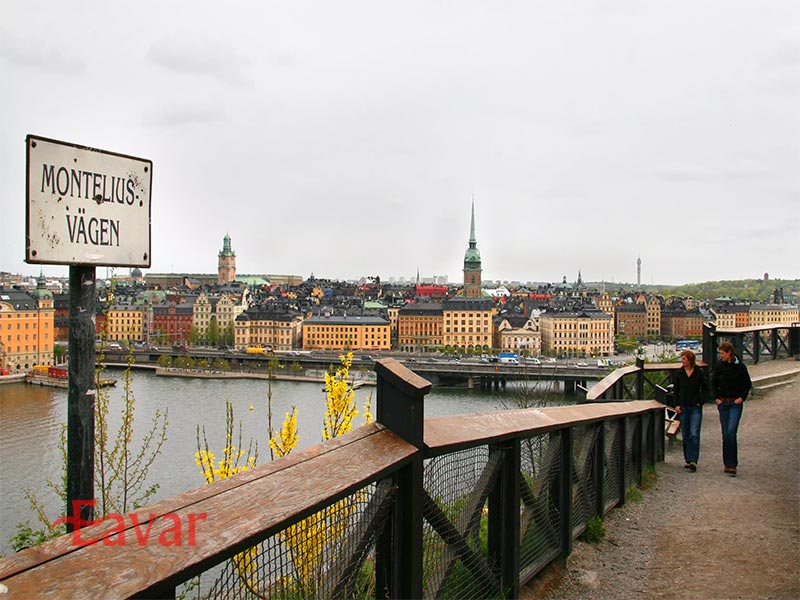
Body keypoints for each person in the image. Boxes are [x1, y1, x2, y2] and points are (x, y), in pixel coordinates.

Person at [712, 341, 752, 477]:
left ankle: (732, 464)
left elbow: (747, 384)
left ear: (729, 353)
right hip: (723, 402)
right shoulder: (719, 366)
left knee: (731, 432)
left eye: (722, 353)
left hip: (735, 402)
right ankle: (727, 464)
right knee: (725, 434)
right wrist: (716, 398)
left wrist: (742, 397)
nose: (720, 355)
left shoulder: (740, 367)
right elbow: (713, 382)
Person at [672, 349, 709, 472]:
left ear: (690, 360)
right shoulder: (679, 373)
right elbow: (675, 390)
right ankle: (688, 459)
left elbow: (705, 388)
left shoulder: (699, 372)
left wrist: (701, 402)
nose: (682, 361)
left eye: (684, 359)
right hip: (683, 406)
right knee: (686, 434)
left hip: (695, 406)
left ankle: (693, 460)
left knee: (694, 433)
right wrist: (676, 405)